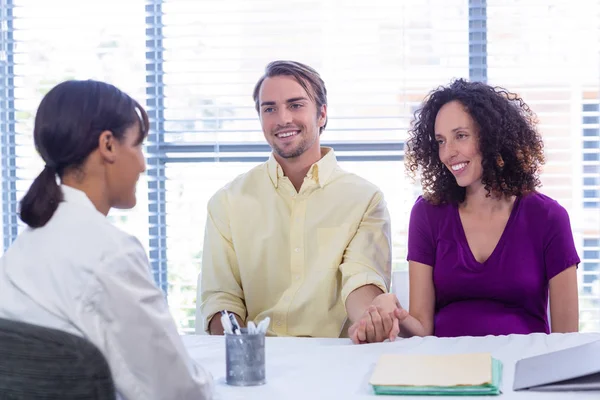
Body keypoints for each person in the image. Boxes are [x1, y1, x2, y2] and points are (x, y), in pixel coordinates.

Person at [0, 80, 213, 399]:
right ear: (108, 145)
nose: (142, 164)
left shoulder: (23, 249)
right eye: (138, 145)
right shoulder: (111, 254)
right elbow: (177, 391)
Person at [350, 78, 579, 341]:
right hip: (447, 370)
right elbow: (422, 329)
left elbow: (566, 340)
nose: (448, 153)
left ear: (492, 137)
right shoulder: (427, 214)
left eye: (461, 136)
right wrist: (394, 312)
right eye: (441, 141)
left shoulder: (549, 218)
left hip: (521, 370)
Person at [199, 60, 394, 341]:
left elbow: (361, 280)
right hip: (255, 358)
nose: (282, 119)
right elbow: (221, 298)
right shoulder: (227, 201)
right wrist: (244, 347)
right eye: (270, 109)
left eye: (296, 105)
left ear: (322, 114)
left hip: (331, 360)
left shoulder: (364, 199)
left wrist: (369, 319)